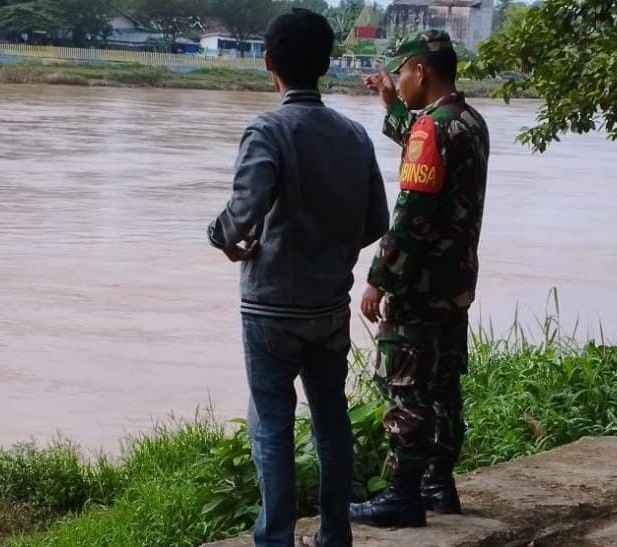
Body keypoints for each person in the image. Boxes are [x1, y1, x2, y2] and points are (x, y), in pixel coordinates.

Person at [207, 8, 390, 547]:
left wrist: (218, 237)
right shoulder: (354, 135)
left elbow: (241, 214)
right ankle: (335, 535)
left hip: (270, 308)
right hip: (330, 307)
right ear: (327, 64)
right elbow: (376, 223)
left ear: (269, 63)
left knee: (271, 423)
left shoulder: (267, 129)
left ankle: (276, 538)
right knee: (331, 423)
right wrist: (328, 249)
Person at [348, 30, 490, 528]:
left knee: (405, 387)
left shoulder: (433, 129)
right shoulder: (470, 121)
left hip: (419, 286)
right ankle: (438, 486)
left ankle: (402, 497)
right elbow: (425, 142)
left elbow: (411, 214)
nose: (399, 80)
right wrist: (390, 104)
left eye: (401, 73)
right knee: (445, 384)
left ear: (421, 71)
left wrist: (378, 280)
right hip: (455, 286)